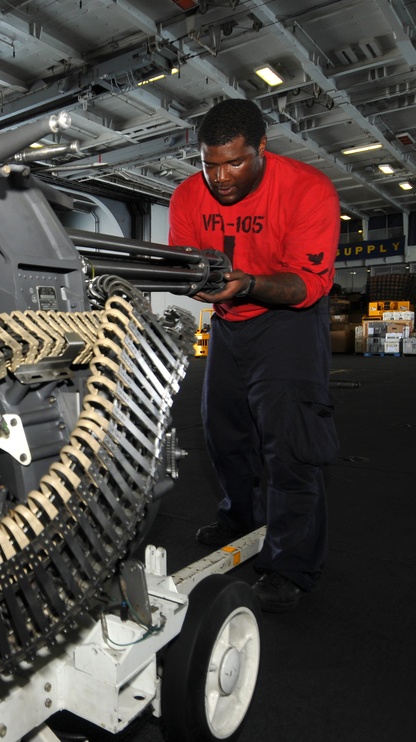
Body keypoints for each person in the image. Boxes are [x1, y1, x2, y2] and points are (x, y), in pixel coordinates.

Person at [168, 98, 340, 612]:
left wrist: (249, 284)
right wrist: (195, 284)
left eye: (234, 162)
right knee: (223, 433)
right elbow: (185, 264)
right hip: (229, 326)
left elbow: (306, 284)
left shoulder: (309, 190)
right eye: (210, 163)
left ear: (262, 149)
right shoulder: (186, 195)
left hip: (288, 320)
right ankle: (238, 517)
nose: (220, 177)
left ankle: (292, 563)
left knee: (290, 446)